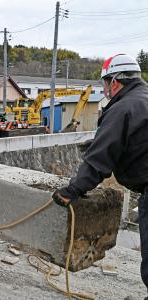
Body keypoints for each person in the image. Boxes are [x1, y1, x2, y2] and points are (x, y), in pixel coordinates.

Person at [52, 54, 148, 296]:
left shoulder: (123, 107)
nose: (104, 89)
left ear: (115, 82)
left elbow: (99, 160)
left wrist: (72, 191)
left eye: (105, 83)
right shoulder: (143, 98)